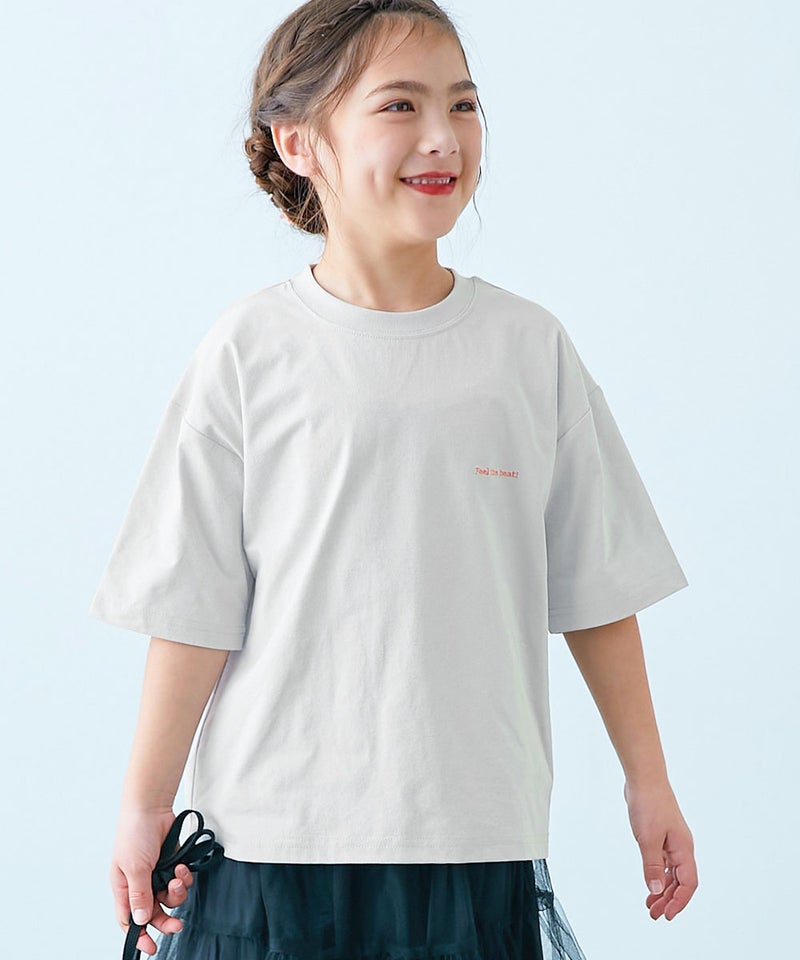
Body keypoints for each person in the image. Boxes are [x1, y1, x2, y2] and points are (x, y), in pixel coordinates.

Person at [90, 1, 699, 957]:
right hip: (272, 840)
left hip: (472, 838)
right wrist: (143, 805)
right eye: (399, 105)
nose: (442, 136)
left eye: (463, 104)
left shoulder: (527, 349)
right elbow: (193, 607)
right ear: (300, 142)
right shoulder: (250, 350)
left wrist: (648, 782)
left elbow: (597, 589)